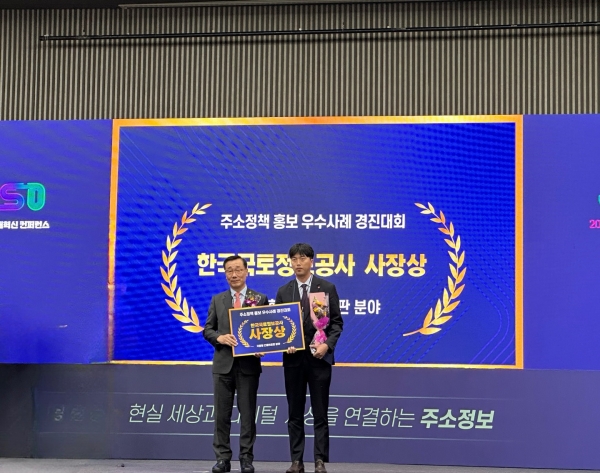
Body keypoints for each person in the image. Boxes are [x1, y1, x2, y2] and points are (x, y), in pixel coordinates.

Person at [275, 243, 344, 473]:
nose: (298, 263)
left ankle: (319, 460)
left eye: (302, 258)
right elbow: (279, 326)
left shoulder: (326, 287)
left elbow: (336, 323)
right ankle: (296, 460)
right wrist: (284, 343)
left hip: (319, 359)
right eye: (294, 259)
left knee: (320, 412)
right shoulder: (284, 291)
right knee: (294, 412)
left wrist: (327, 345)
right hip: (293, 360)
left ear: (311, 261)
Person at [203, 255, 269, 473]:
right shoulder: (217, 299)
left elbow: (266, 331)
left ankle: (246, 459)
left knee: (248, 415)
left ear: (246, 272)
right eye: (230, 270)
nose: (234, 274)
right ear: (225, 274)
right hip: (223, 366)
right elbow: (208, 330)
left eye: (238, 269)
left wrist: (262, 346)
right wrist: (219, 338)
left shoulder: (260, 299)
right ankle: (222, 458)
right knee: (221, 416)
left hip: (248, 367)